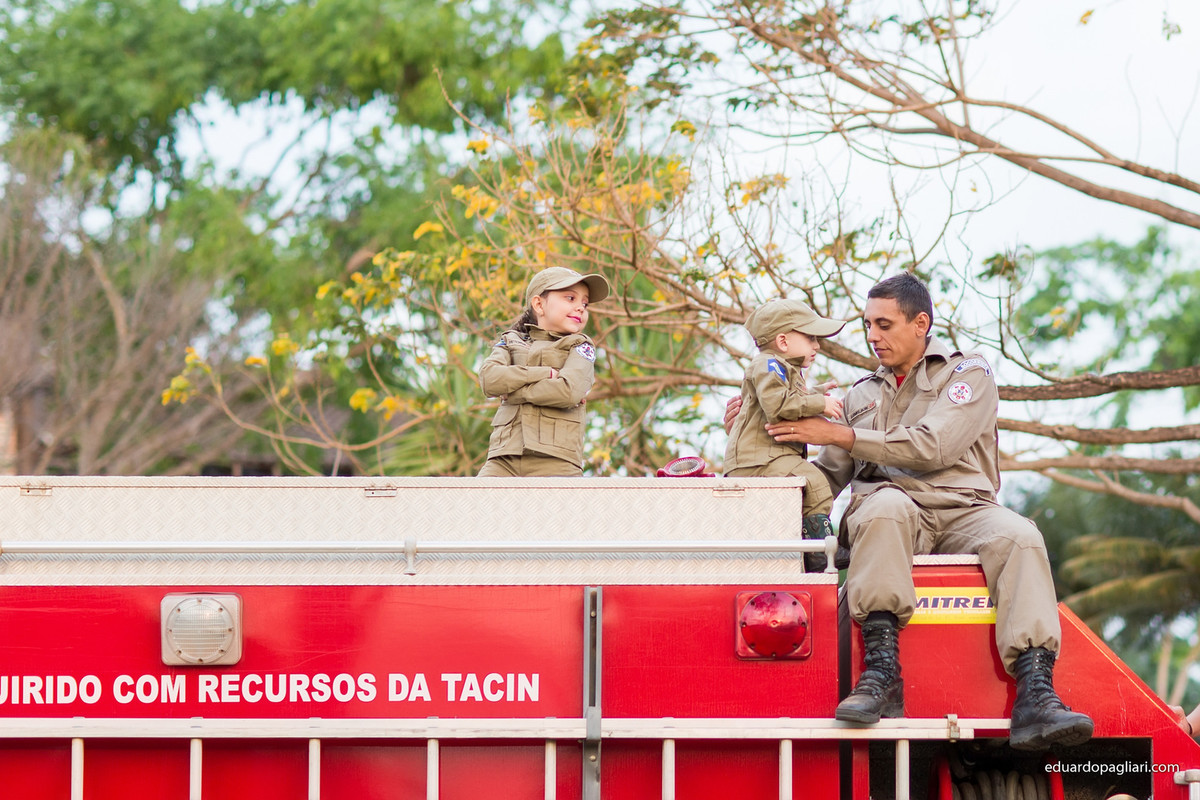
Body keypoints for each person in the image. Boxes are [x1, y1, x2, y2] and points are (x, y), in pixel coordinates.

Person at [725, 273, 1093, 751]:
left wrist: (842, 434)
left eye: (884, 324)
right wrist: (751, 436)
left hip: (966, 509)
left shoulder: (967, 375)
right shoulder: (859, 395)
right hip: (892, 513)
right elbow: (828, 474)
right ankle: (881, 673)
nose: (872, 336)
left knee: (1019, 534)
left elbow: (935, 445)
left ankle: (1036, 692)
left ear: (921, 323)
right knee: (885, 505)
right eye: (867, 325)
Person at [724, 298, 846, 569]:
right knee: (815, 483)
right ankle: (818, 553)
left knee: (807, 487)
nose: (817, 345)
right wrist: (820, 404)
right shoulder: (769, 365)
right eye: (811, 338)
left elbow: (789, 395)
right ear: (783, 342)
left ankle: (806, 546)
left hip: (767, 457)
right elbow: (779, 406)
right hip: (759, 460)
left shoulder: (781, 368)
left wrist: (816, 392)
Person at [477, 266, 610, 477]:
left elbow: (568, 391)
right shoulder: (511, 341)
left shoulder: (581, 346)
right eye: (570, 298)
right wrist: (544, 374)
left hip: (557, 462)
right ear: (539, 304)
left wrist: (513, 393)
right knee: (475, 506)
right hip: (504, 460)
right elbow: (489, 380)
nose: (580, 308)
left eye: (584, 303)